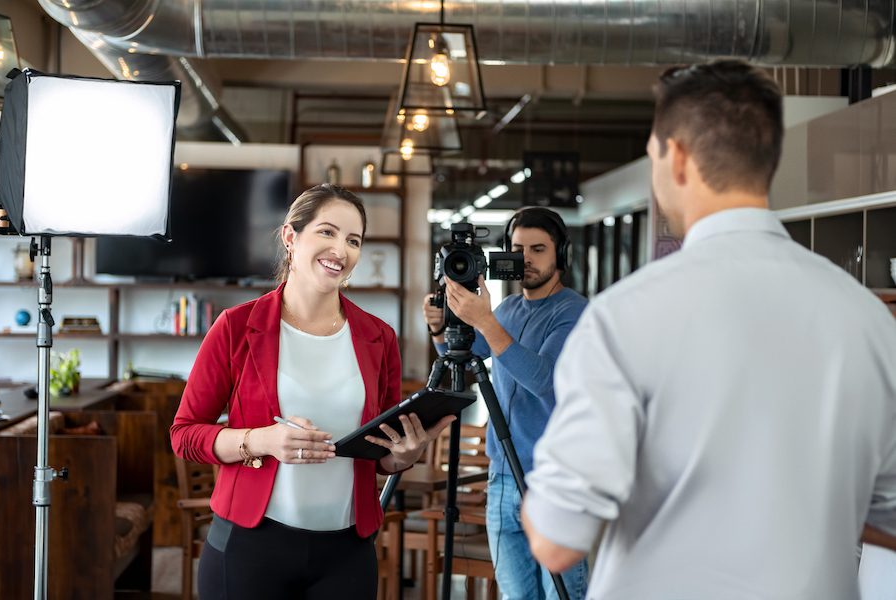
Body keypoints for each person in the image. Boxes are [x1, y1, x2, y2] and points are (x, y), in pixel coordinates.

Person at [522, 60, 896, 599]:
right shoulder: (866, 319)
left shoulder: (624, 318)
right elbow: (887, 517)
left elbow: (557, 540)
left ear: (675, 158)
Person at [171, 183, 453, 600]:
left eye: (353, 240)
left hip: (346, 552)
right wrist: (263, 439)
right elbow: (184, 434)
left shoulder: (379, 338)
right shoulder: (235, 327)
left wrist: (403, 456)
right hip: (250, 545)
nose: (341, 249)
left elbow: (381, 451)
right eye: (327, 232)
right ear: (290, 236)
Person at [423, 207, 590, 600]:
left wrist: (487, 321)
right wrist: (438, 326)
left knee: (562, 594)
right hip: (502, 477)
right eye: (518, 249)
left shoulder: (574, 311)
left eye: (538, 249)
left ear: (560, 255)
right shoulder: (509, 310)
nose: (527, 259)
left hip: (555, 480)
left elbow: (544, 380)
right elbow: (469, 354)